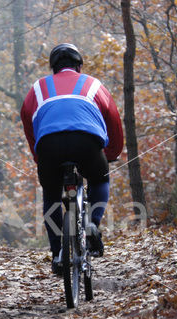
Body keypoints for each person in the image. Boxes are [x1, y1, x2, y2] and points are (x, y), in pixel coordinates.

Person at [20, 43, 124, 275]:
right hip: (87, 141)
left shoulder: (37, 88)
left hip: (48, 144)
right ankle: (92, 225)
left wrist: (40, 158)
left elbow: (29, 124)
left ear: (53, 68)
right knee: (99, 180)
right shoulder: (94, 84)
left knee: (51, 193)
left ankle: (58, 253)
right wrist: (112, 154)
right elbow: (114, 121)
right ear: (78, 66)